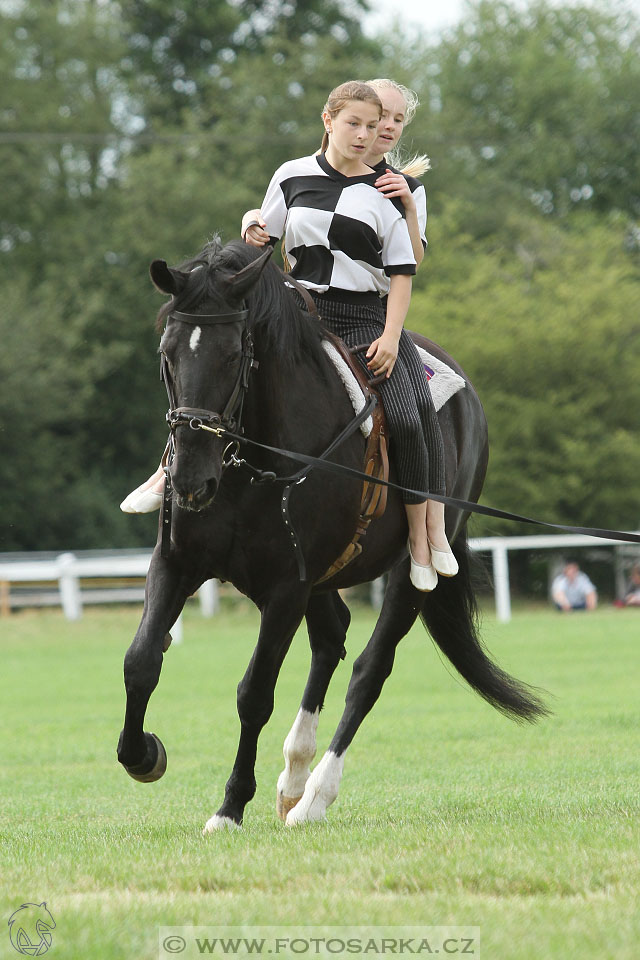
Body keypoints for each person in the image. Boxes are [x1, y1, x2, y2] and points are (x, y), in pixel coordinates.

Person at [241, 79, 456, 591]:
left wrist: (389, 333)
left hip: (367, 314)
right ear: (331, 119)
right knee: (216, 363)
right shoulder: (293, 173)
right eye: (363, 120)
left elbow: (408, 267)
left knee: (410, 414)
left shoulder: (395, 189)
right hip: (301, 307)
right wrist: (251, 222)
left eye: (391, 120)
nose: (378, 128)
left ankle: (428, 536)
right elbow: (263, 233)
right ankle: (170, 469)